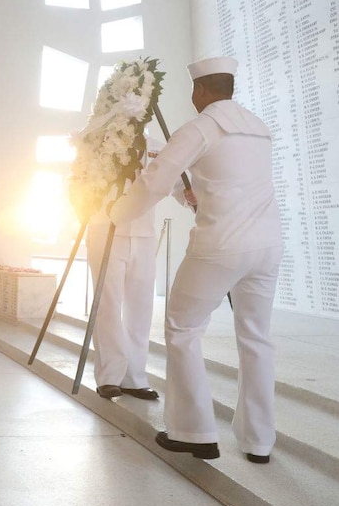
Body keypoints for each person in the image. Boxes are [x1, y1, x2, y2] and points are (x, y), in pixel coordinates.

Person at [109, 57, 283, 464]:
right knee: (256, 337)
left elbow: (156, 180)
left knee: (182, 327)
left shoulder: (201, 127)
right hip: (268, 244)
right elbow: (235, 180)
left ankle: (195, 431)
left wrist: (118, 213)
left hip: (220, 245)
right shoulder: (259, 128)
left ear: (200, 91)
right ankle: (260, 442)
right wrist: (200, 193)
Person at [89, 136, 162, 401]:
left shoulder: (158, 145)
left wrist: (188, 196)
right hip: (106, 231)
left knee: (140, 308)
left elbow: (172, 178)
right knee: (108, 305)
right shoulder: (100, 141)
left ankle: (134, 378)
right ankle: (109, 376)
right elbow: (82, 182)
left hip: (144, 235)